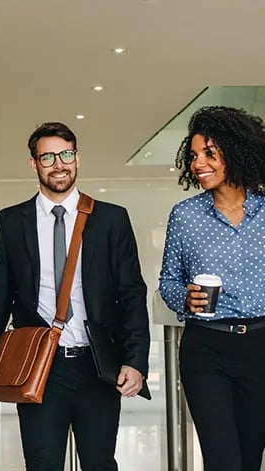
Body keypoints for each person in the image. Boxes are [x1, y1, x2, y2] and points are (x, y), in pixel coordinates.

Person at [0, 121, 150, 470]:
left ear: (77, 157)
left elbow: (131, 294)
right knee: (42, 462)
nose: (59, 164)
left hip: (98, 365)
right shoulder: (12, 221)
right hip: (39, 365)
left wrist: (136, 360)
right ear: (33, 163)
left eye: (66, 154)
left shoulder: (111, 219)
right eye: (47, 156)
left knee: (99, 462)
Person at [159, 106, 265, 471]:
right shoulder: (185, 216)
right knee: (222, 459)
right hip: (206, 348)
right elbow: (168, 283)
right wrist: (184, 297)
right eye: (193, 155)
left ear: (235, 153)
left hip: (261, 346)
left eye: (209, 154)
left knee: (250, 458)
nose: (198, 163)